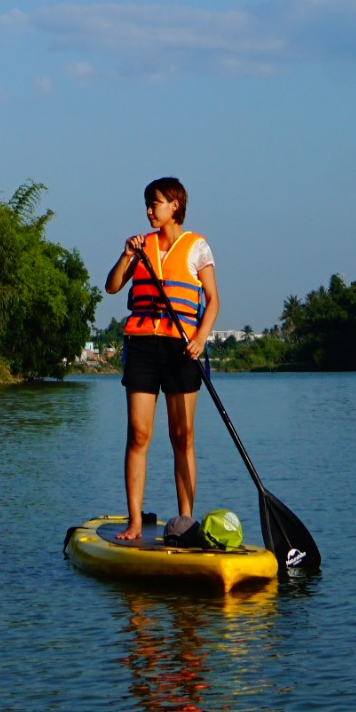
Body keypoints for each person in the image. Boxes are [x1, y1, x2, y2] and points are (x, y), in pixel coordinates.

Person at [103, 177, 219, 542]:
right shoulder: (140, 247)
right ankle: (135, 522)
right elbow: (112, 286)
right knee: (138, 434)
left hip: (182, 349)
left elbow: (213, 300)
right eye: (147, 204)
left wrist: (200, 338)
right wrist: (126, 254)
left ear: (175, 205)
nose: (149, 210)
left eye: (155, 203)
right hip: (142, 347)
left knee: (182, 437)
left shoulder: (197, 247)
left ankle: (185, 521)